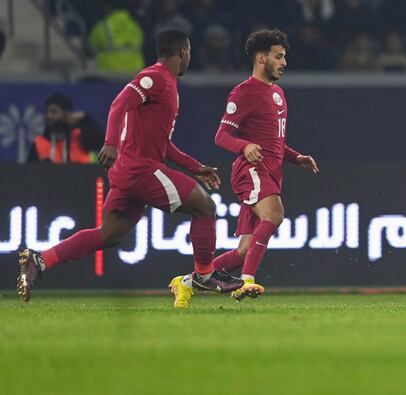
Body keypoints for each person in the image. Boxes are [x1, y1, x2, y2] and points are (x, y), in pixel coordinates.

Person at [17, 30, 244, 303]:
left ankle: (39, 260)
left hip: (129, 171)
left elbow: (163, 144)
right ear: (183, 52)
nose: (189, 59)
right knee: (205, 207)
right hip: (140, 169)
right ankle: (204, 275)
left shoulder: (167, 84)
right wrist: (110, 142)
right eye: (189, 53)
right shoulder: (157, 77)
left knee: (108, 234)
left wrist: (194, 166)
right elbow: (119, 103)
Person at [170, 29, 319, 307]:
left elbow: (273, 142)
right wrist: (244, 146)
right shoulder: (244, 92)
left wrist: (296, 157)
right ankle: (246, 282)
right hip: (252, 170)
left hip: (271, 171)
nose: (284, 62)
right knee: (274, 214)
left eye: (284, 57)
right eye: (279, 57)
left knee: (244, 250)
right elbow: (222, 136)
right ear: (261, 58)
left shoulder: (278, 94)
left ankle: (187, 282)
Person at [27, 93, 103, 164]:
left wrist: (85, 118)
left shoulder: (79, 136)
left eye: (54, 112)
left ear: (66, 114)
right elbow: (29, 172)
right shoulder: (39, 143)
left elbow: (101, 141)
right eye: (47, 112)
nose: (49, 116)